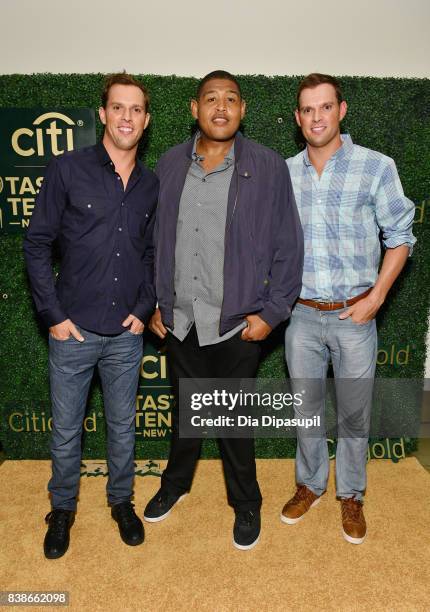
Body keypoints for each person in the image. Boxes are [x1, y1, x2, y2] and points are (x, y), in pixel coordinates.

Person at [144, 70, 303, 550]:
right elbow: (153, 242)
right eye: (210, 98)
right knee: (186, 412)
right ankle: (175, 485)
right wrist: (156, 302)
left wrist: (270, 314)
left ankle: (246, 502)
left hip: (237, 322)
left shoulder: (268, 166)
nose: (220, 107)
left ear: (242, 108)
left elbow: (288, 248)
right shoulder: (169, 164)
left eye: (230, 99)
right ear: (194, 109)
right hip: (182, 320)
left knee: (234, 423)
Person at [23, 72, 158, 558]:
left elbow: (150, 255)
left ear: (145, 120)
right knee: (65, 428)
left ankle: (122, 501)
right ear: (103, 114)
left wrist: (145, 310)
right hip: (72, 330)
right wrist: (53, 314)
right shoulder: (67, 168)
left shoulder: (150, 184)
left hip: (126, 332)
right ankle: (62, 510)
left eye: (136, 109)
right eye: (118, 108)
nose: (126, 117)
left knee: (123, 426)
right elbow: (37, 243)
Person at [282, 73, 416, 544]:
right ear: (298, 119)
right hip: (300, 316)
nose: (317, 117)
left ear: (341, 110)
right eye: (307, 109)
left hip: (354, 315)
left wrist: (376, 298)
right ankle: (311, 484)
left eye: (325, 107)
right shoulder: (286, 172)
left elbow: (400, 236)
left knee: (354, 414)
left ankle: (352, 495)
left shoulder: (376, 167)